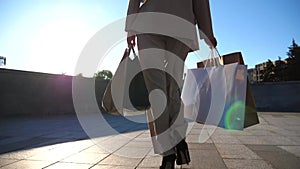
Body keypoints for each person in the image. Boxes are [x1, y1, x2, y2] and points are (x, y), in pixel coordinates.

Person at [125, 0, 217, 168]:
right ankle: (179, 139)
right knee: (172, 86)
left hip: (149, 22)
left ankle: (168, 153)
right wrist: (207, 32)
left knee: (156, 91)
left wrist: (130, 27)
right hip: (181, 22)